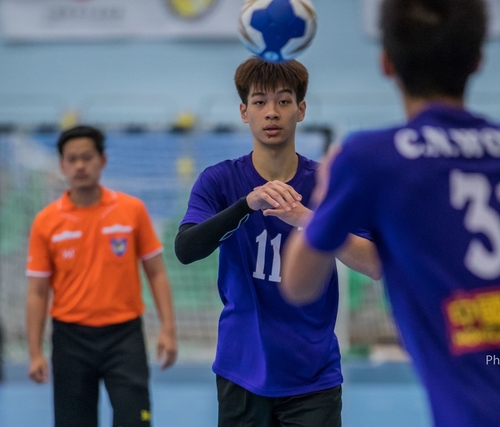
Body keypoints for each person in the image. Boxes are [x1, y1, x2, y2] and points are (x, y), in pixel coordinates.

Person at [280, 1, 500, 427]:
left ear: (386, 63)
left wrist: (324, 196)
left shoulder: (371, 159)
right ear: (478, 61)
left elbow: (298, 285)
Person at [174, 56, 380, 427]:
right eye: (259, 102)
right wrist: (246, 205)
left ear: (301, 110)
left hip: (313, 374)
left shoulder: (328, 183)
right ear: (244, 112)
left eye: (284, 101)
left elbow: (376, 263)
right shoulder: (219, 181)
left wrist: (309, 220)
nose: (272, 112)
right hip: (241, 369)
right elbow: (185, 249)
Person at [26, 125, 178, 427]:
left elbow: (157, 272)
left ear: (102, 160)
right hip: (70, 339)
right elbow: (37, 291)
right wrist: (34, 352)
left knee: (136, 420)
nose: (80, 166)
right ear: (62, 164)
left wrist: (168, 329)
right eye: (72, 159)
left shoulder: (132, 210)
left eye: (87, 157)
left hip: (125, 337)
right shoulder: (46, 221)